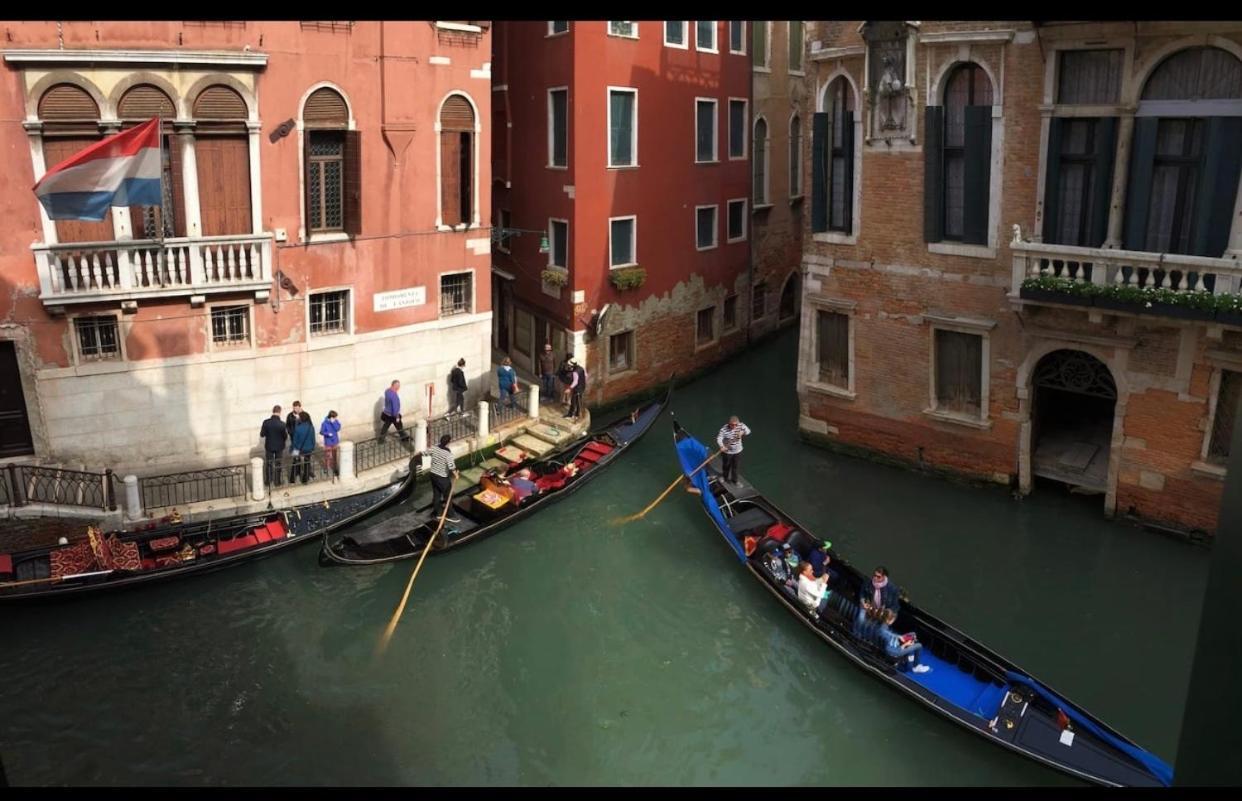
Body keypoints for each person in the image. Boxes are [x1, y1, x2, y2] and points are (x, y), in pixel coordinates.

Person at [417, 433, 461, 526]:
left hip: (433, 475)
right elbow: (451, 466)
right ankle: (450, 515)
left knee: (437, 494)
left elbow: (424, 453)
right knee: (447, 496)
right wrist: (456, 474)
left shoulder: (434, 448)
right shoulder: (448, 454)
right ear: (448, 443)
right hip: (442, 478)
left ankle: (438, 513)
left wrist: (419, 453)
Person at [878, 608, 931, 673]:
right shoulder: (884, 632)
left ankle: (908, 658)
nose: (893, 621)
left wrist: (902, 638)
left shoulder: (884, 627)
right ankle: (916, 667)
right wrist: (905, 644)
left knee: (912, 634)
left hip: (895, 647)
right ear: (888, 620)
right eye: (892, 620)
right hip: (895, 653)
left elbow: (892, 637)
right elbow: (894, 647)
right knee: (919, 645)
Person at [857, 565, 903, 634]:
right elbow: (862, 593)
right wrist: (863, 602)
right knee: (860, 619)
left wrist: (889, 613)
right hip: (868, 608)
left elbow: (896, 606)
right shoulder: (868, 582)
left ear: (884, 577)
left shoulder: (893, 589)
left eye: (878, 577)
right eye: (874, 575)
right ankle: (856, 634)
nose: (875, 578)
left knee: (881, 630)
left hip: (882, 614)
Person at [716, 416, 751, 485]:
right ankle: (724, 477)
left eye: (736, 425)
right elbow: (719, 438)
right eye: (732, 425)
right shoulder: (724, 429)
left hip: (738, 451)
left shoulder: (741, 425)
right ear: (729, 423)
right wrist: (722, 446)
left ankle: (735, 481)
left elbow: (748, 431)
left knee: (735, 466)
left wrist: (742, 433)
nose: (734, 426)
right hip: (727, 451)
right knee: (726, 465)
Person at [260, 405, 287, 488]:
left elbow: (262, 434)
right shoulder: (282, 424)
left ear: (273, 411)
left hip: (269, 446)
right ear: (280, 412)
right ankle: (277, 481)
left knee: (269, 463)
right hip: (279, 446)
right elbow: (285, 436)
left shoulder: (266, 422)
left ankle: (268, 481)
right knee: (278, 463)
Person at [290, 410, 316, 485]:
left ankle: (292, 479)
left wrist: (293, 449)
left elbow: (295, 441)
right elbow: (313, 439)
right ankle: (305, 480)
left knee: (294, 463)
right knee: (307, 463)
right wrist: (312, 447)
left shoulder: (298, 428)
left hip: (298, 448)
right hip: (308, 448)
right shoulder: (311, 427)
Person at [320, 410, 341, 477]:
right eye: (334, 417)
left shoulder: (335, 421)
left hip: (335, 441)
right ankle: (326, 468)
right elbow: (321, 432)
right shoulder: (324, 423)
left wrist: (333, 423)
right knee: (328, 456)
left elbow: (338, 428)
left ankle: (335, 468)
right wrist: (327, 434)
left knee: (335, 455)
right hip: (328, 442)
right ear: (331, 417)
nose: (335, 419)